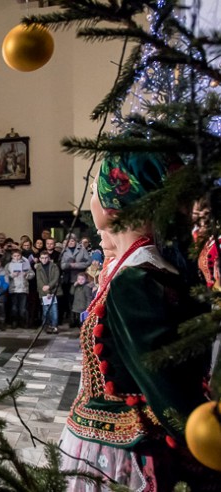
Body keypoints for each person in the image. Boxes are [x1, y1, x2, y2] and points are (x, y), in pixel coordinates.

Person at [60, 151, 220, 490]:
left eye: (94, 190)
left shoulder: (135, 281)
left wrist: (204, 453)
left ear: (115, 205)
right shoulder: (138, 269)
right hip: (112, 438)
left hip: (126, 451)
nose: (90, 198)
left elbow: (167, 391)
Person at [35, 250, 61, 334]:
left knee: (54, 310)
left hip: (53, 291)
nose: (44, 260)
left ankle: (54, 326)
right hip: (44, 292)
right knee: (45, 310)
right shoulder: (38, 268)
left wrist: (49, 287)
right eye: (42, 258)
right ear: (40, 259)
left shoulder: (54, 266)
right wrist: (47, 292)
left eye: (46, 258)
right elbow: (39, 280)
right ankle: (47, 326)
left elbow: (56, 278)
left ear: (49, 258)